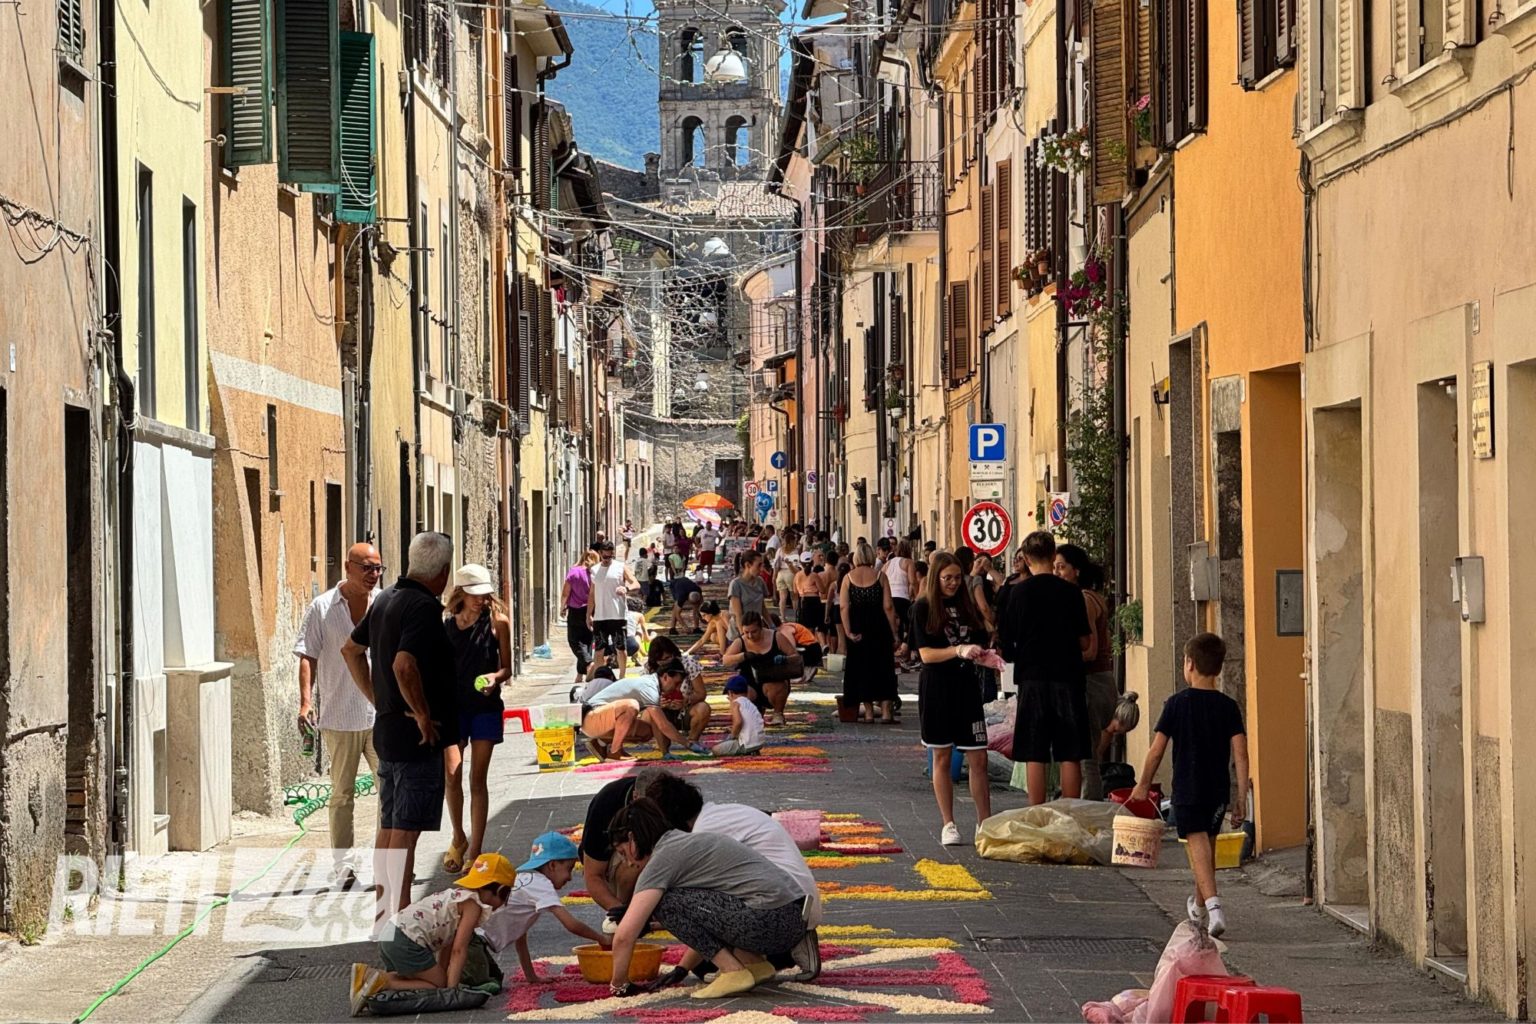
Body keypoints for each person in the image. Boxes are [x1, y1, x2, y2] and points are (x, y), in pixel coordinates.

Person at [342, 532, 460, 927]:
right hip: (415, 737)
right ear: (443, 572)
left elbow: (351, 650)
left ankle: (384, 912)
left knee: (390, 826)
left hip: (389, 730)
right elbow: (403, 665)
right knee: (406, 832)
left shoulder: (386, 598)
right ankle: (400, 918)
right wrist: (422, 713)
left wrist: (380, 700)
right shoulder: (422, 607)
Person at [605, 799, 812, 1000]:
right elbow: (707, 917)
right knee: (675, 902)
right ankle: (754, 964)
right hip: (793, 922)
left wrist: (619, 985)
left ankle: (733, 971)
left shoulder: (662, 859)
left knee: (664, 903)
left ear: (632, 840)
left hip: (769, 922)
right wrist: (682, 968)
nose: (628, 863)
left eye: (623, 853)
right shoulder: (686, 842)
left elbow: (624, 935)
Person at [636, 773, 821, 981]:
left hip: (782, 910)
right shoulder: (719, 813)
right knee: (705, 956)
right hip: (794, 905)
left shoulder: (703, 833)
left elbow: (703, 905)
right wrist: (683, 967)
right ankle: (759, 958)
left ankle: (755, 960)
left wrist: (682, 967)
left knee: (698, 939)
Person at [1130, 634, 1249, 938]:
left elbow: (1156, 751)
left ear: (1189, 664)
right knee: (1206, 847)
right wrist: (1241, 797)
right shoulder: (1229, 706)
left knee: (1197, 844)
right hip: (1217, 789)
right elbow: (1240, 753)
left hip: (1188, 787)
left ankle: (1215, 908)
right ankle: (1198, 907)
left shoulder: (1176, 704)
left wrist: (1143, 784)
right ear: (1219, 668)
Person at [294, 541, 381, 887]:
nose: (373, 575)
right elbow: (307, 654)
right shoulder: (323, 607)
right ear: (348, 568)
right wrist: (306, 702)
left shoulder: (383, 604)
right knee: (342, 795)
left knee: (389, 792)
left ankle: (388, 863)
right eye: (366, 568)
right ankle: (343, 868)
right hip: (339, 715)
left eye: (377, 568)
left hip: (380, 715)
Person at [349, 852, 519, 1013]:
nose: (504, 903)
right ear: (500, 890)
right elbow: (459, 950)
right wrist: (451, 991)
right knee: (437, 986)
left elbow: (448, 943)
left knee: (415, 979)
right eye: (507, 895)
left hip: (391, 932)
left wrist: (443, 973)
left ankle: (368, 978)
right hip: (405, 941)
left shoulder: (458, 896)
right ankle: (383, 981)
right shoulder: (472, 905)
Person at [998, 531, 1092, 805]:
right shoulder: (1071, 592)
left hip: (1032, 676)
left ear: (1026, 560)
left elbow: (1007, 641)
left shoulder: (1017, 593)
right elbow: (1085, 642)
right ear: (1053, 556)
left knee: (1034, 750)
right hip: (1068, 676)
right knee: (1070, 751)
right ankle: (1070, 811)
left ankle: (1036, 811)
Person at [910, 551, 992, 846]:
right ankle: (948, 823)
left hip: (967, 686)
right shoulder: (923, 608)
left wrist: (986, 655)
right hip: (937, 687)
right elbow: (926, 654)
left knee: (978, 757)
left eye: (958, 578)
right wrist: (958, 650)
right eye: (947, 578)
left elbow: (981, 637)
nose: (953, 583)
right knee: (942, 755)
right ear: (936, 578)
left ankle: (985, 823)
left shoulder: (966, 606)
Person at [441, 564, 512, 874]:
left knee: (477, 779)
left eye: (484, 595)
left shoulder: (498, 622)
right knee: (452, 775)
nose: (480, 600)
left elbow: (507, 668)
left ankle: (475, 850)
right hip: (453, 709)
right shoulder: (446, 625)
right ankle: (458, 837)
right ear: (461, 593)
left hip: (485, 708)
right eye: (474, 595)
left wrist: (495, 678)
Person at [484, 833, 611, 984]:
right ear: (552, 865)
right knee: (483, 985)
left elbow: (520, 939)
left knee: (493, 980)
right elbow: (571, 924)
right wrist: (601, 939)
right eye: (569, 869)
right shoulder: (542, 884)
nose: (570, 877)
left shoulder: (523, 878)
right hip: (473, 943)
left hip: (475, 942)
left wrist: (531, 977)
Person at [1055, 543, 1118, 799]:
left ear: (1076, 571)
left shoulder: (1083, 600)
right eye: (1054, 567)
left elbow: (1090, 650)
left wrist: (1059, 658)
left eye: (1061, 567)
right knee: (1087, 753)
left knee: (1086, 757)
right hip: (1100, 680)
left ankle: (1089, 807)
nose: (1057, 573)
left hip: (1091, 681)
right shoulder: (1091, 596)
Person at [841, 541, 902, 724]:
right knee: (884, 668)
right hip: (879, 627)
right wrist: (895, 633)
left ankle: (868, 712)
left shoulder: (848, 578)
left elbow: (844, 607)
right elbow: (888, 606)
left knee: (862, 668)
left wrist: (848, 631)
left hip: (858, 628)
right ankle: (886, 712)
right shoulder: (880, 576)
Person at [721, 611, 797, 727]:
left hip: (773, 678)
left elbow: (795, 656)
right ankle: (755, 710)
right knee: (736, 691)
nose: (750, 636)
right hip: (750, 681)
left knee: (776, 686)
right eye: (746, 632)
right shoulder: (741, 641)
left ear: (761, 627)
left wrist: (784, 659)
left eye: (754, 632)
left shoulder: (776, 637)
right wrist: (743, 656)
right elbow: (725, 660)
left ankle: (778, 713)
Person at [646, 636, 711, 744]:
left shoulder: (688, 663)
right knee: (647, 714)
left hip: (685, 711)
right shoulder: (649, 668)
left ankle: (692, 742)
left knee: (703, 709)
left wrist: (686, 700)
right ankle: (663, 747)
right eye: (661, 661)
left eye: (668, 658)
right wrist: (657, 703)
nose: (665, 662)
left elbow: (701, 693)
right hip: (661, 713)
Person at [588, 541, 639, 677]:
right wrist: (589, 614)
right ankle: (599, 677)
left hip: (618, 615)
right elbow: (592, 594)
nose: (607, 559)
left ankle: (622, 676)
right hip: (600, 616)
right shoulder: (594, 570)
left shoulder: (620, 567)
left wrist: (626, 588)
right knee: (599, 650)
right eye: (605, 556)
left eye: (610, 556)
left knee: (620, 648)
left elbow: (636, 583)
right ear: (600, 554)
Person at [560, 550, 597, 681]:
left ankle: (589, 663)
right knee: (587, 641)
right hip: (592, 609)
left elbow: (565, 593)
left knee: (574, 641)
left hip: (576, 610)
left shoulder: (574, 572)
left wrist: (562, 607)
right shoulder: (595, 573)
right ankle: (581, 674)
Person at [713, 675, 765, 755]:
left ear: (730, 693)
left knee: (715, 749)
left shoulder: (736, 703)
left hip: (747, 744)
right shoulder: (750, 704)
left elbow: (738, 722)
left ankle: (746, 751)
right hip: (759, 742)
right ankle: (752, 751)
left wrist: (732, 736)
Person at [882, 540, 918, 650]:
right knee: (911, 624)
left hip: (889, 598)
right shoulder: (908, 562)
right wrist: (917, 596)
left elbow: (881, 579)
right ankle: (907, 649)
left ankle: (895, 649)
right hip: (902, 597)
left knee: (893, 626)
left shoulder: (887, 564)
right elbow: (913, 581)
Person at [727, 551, 769, 639]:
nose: (761, 569)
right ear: (748, 565)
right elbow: (738, 614)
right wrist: (743, 636)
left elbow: (762, 608)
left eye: (762, 565)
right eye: (759, 565)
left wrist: (772, 626)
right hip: (739, 633)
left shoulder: (760, 581)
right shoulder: (736, 584)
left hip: (756, 630)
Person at [624, 599, 651, 667]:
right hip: (630, 645)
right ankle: (636, 656)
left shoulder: (619, 614)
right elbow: (647, 639)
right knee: (639, 630)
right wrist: (654, 635)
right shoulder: (639, 615)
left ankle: (614, 658)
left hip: (613, 646)